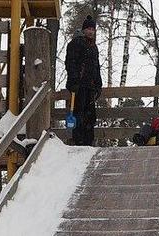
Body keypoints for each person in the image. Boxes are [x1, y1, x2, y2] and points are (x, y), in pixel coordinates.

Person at [65, 15, 102, 147]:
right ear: (84, 30)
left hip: (90, 86)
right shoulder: (76, 43)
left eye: (93, 29)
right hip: (79, 85)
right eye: (89, 29)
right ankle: (78, 140)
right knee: (78, 113)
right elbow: (71, 63)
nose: (91, 31)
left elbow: (96, 67)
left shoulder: (93, 47)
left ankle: (88, 140)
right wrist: (74, 81)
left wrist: (98, 84)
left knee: (90, 115)